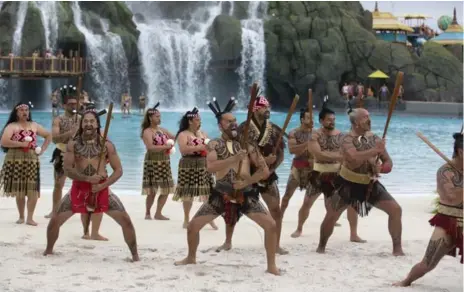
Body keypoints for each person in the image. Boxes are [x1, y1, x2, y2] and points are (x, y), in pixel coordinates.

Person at [175, 97, 280, 276]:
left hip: (246, 194)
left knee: (270, 226)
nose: (233, 124)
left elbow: (264, 171)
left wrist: (246, 181)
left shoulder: (247, 145)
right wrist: (234, 159)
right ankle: (191, 257)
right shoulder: (215, 144)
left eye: (235, 121)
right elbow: (210, 167)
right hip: (221, 193)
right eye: (229, 121)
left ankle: (271, 266)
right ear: (220, 126)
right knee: (193, 227)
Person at [43, 110, 139, 261]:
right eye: (85, 121)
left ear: (97, 124)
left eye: (91, 121)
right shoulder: (73, 145)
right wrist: (87, 178)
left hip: (101, 190)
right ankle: (48, 251)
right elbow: (68, 170)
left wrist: (103, 185)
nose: (88, 124)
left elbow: (118, 170)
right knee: (54, 221)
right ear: (81, 125)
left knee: (126, 221)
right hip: (79, 189)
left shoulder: (107, 145)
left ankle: (135, 256)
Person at [316, 108, 404, 256]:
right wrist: (374, 151)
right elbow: (353, 158)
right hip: (347, 183)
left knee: (396, 210)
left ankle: (397, 249)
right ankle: (321, 246)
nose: (369, 120)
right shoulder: (346, 139)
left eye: (369, 116)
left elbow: (388, 162)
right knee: (332, 215)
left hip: (369, 184)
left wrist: (380, 168)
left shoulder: (375, 139)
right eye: (365, 117)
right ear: (356, 122)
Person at [217, 95, 287, 254]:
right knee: (233, 208)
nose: (267, 110)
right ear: (255, 110)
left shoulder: (274, 129)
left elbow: (281, 153)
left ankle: (275, 244)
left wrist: (272, 165)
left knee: (276, 209)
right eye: (263, 107)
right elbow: (239, 152)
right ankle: (227, 242)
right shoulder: (244, 128)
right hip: (246, 174)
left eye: (268, 107)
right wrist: (261, 162)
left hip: (268, 175)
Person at [393, 132, 463, 287]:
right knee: (428, 263)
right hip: (449, 222)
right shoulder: (445, 172)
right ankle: (406, 281)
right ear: (460, 151)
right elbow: (452, 198)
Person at [290, 103, 364, 242]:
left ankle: (353, 234)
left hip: (337, 175)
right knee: (307, 203)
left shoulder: (341, 136)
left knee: (351, 203)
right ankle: (299, 228)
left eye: (334, 119)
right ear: (321, 121)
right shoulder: (314, 135)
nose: (332, 122)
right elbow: (318, 154)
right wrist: (339, 156)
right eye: (329, 119)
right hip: (318, 174)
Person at [0, 102, 52, 226]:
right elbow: (4, 141)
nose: (24, 112)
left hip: (32, 159)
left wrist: (43, 149)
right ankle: (21, 216)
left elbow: (48, 135)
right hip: (15, 159)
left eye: (27, 110)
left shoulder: (34, 125)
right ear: (16, 113)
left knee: (32, 189)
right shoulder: (12, 126)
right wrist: (22, 144)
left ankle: (30, 217)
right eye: (21, 110)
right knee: (20, 189)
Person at [172, 107, 217, 230]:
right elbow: (183, 150)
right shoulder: (183, 134)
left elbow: (210, 148)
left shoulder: (203, 133)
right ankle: (186, 218)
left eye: (200, 119)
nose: (199, 121)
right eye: (197, 119)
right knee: (188, 193)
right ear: (190, 121)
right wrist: (201, 147)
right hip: (188, 164)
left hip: (203, 164)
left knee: (208, 192)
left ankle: (209, 218)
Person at [47, 85, 80, 218]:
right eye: (70, 104)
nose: (73, 106)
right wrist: (70, 132)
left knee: (83, 182)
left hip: (79, 154)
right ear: (64, 105)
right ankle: (55, 210)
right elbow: (54, 139)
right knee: (58, 183)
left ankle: (79, 207)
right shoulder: (58, 120)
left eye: (75, 104)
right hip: (62, 152)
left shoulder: (82, 119)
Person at [141, 102, 175, 220]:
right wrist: (165, 147)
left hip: (165, 161)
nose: (159, 118)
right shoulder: (147, 132)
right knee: (152, 190)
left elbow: (174, 137)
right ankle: (147, 213)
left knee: (166, 188)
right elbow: (150, 147)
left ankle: (158, 213)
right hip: (152, 162)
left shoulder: (162, 130)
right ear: (150, 118)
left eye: (160, 116)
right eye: (157, 116)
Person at [280, 107, 313, 220]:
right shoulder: (294, 132)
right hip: (298, 167)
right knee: (287, 196)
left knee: (326, 192)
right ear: (302, 119)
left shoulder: (316, 133)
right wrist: (308, 143)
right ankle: (280, 215)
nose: (311, 120)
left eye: (312, 118)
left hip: (312, 168)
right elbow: (292, 150)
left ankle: (331, 216)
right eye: (308, 118)